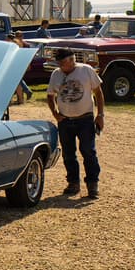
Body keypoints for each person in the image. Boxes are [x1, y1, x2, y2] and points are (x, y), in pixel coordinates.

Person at [46, 47, 105, 198]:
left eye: (63, 63)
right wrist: (55, 114)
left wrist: (100, 115)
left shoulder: (86, 70)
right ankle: (73, 183)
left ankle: (93, 184)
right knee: (68, 154)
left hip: (85, 118)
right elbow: (50, 95)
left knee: (88, 152)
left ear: (72, 60)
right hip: (65, 121)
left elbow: (98, 93)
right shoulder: (56, 74)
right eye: (59, 63)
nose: (60, 66)